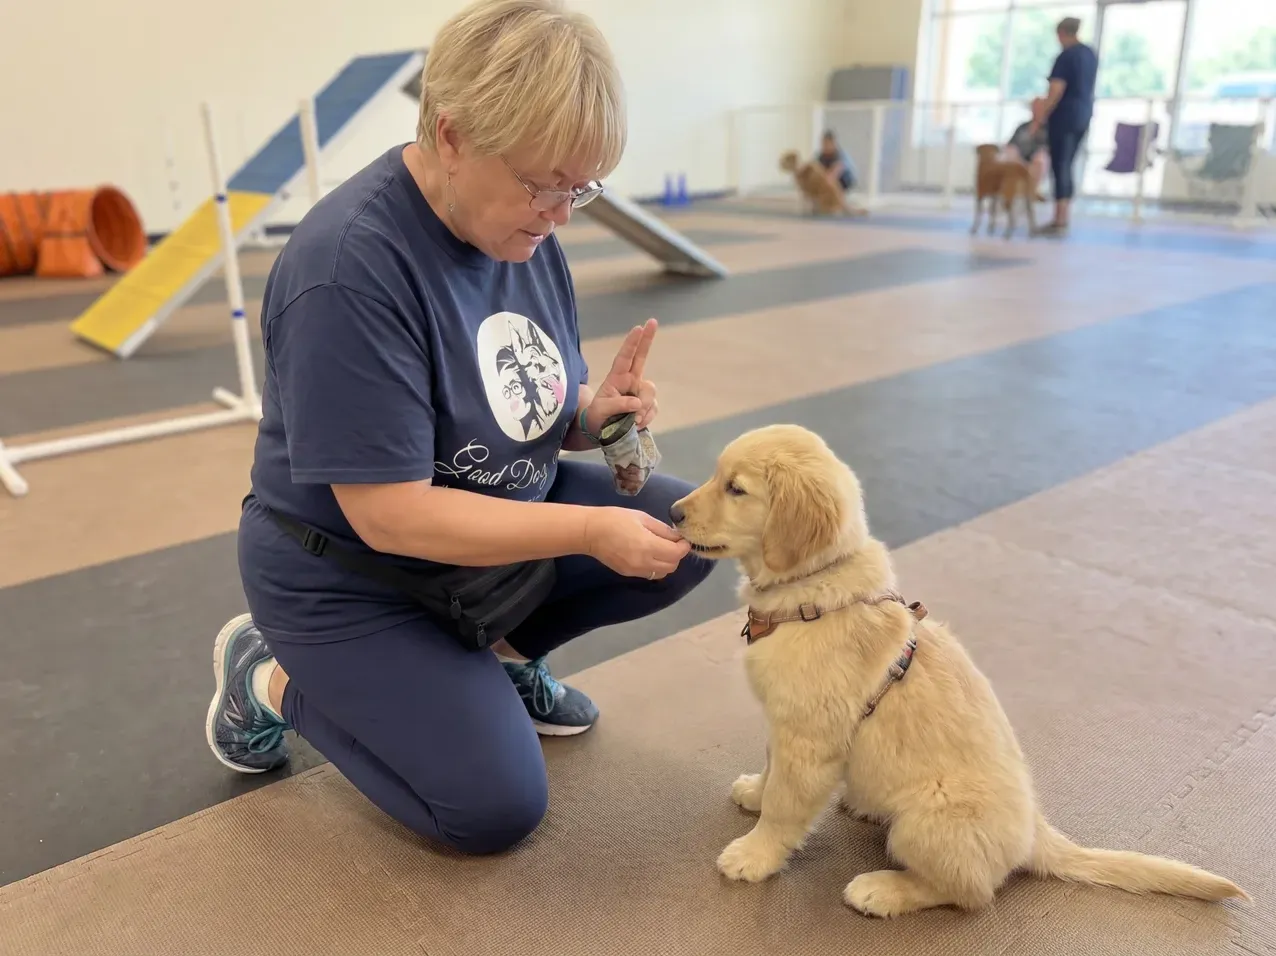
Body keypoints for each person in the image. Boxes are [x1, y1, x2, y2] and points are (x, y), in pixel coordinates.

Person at [203, 0, 713, 856]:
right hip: (353, 576)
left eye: (580, 188)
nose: (561, 213)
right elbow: (391, 515)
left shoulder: (519, 226)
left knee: (691, 530)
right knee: (491, 810)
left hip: (483, 535)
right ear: (452, 136)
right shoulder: (349, 270)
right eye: (544, 183)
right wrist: (589, 528)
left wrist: (592, 418)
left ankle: (500, 662)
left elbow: (526, 410)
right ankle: (268, 674)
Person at [1033, 16, 1099, 235]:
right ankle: (1064, 216)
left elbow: (1056, 89)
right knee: (1068, 164)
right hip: (1084, 114)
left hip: (1065, 116)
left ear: (1061, 33)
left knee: (1060, 164)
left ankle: (1059, 220)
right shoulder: (1089, 54)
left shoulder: (1066, 56)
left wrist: (1041, 115)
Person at [1004, 97, 1050, 203]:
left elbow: (1047, 147)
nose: (1036, 110)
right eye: (1034, 107)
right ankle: (1010, 191)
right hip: (1018, 159)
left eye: (1039, 107)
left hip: (1036, 159)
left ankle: (1032, 191)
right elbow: (1011, 144)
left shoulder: (1048, 128)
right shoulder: (1022, 127)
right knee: (1010, 152)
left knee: (1040, 159)